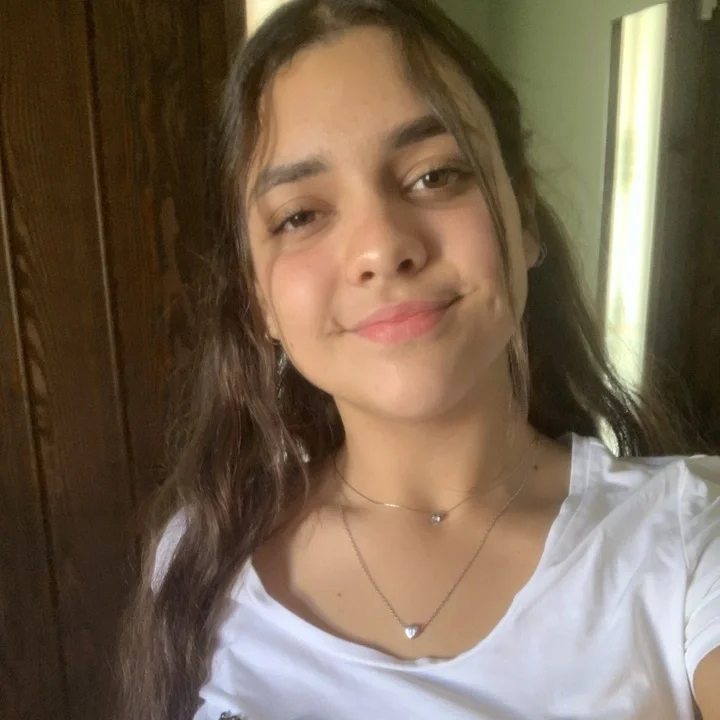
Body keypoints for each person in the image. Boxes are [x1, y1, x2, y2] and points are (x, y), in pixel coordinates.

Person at [118, 1, 720, 718]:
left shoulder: (690, 538)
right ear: (260, 301)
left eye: (435, 176)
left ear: (523, 217)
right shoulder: (200, 555)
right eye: (300, 215)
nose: (381, 247)